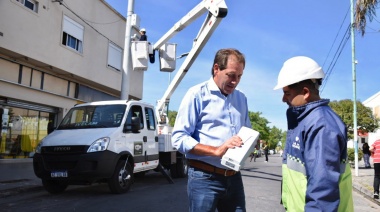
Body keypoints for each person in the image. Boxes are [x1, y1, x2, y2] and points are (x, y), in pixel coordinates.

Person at [171, 48, 251, 211]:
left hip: (234, 177)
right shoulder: (196, 94)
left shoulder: (241, 98)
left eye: (239, 76)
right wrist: (216, 150)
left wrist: (249, 141)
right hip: (204, 178)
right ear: (216, 69)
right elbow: (179, 138)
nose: (235, 81)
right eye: (231, 75)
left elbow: (246, 130)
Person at [273, 56, 353, 211]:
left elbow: (323, 188)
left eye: (287, 93)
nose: (283, 99)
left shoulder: (321, 125)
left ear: (305, 92)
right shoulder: (305, 120)